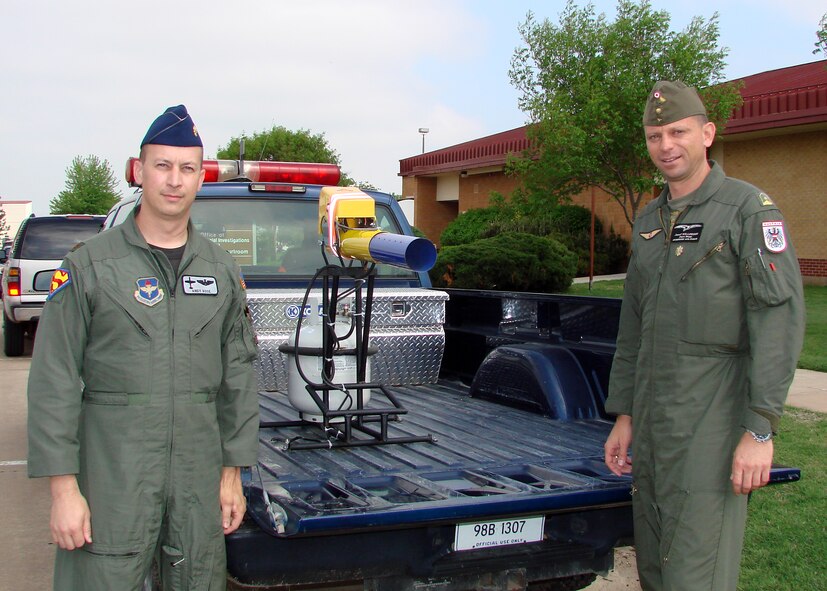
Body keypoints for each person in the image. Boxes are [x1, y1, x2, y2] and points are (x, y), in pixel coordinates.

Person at [27, 105, 260, 590]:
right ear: (138, 170)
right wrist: (63, 490)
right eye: (162, 165)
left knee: (198, 577)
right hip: (113, 478)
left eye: (187, 168)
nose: (174, 180)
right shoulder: (90, 266)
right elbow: (54, 379)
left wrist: (231, 473)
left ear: (201, 177)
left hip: (196, 483)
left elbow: (238, 378)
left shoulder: (220, 271)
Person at [603, 81, 805, 591]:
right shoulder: (649, 219)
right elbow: (634, 326)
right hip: (654, 425)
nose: (666, 145)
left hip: (711, 425)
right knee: (654, 569)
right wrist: (625, 414)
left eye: (678, 132)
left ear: (707, 134)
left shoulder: (747, 211)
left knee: (696, 572)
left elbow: (777, 321)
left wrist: (759, 431)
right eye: (655, 136)